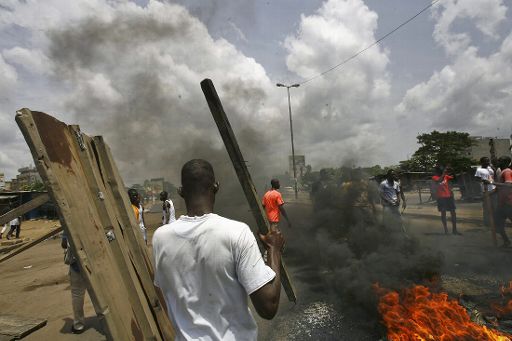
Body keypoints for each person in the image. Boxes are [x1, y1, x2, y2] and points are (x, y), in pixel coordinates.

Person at [152, 159, 284, 340]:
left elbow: (163, 292)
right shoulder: (237, 232)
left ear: (181, 192)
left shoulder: (160, 238)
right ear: (216, 187)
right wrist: (274, 250)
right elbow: (269, 306)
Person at [61, 232, 88, 334]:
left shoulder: (69, 222)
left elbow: (64, 243)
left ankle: (78, 325)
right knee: (103, 292)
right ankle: (109, 320)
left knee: (77, 295)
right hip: (95, 261)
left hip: (77, 265)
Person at [432, 166, 461, 235]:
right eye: (440, 170)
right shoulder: (434, 177)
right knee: (443, 213)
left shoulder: (446, 176)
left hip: (449, 196)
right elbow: (439, 180)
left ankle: (454, 230)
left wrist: (453, 171)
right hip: (441, 197)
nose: (441, 171)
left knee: (453, 213)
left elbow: (455, 179)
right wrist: (444, 174)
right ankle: (446, 230)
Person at [495, 156, 512, 247]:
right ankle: (506, 241)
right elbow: (499, 188)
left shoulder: (507, 172)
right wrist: (488, 194)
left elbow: (508, 185)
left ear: (506, 162)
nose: (498, 161)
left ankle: (506, 242)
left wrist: (491, 183)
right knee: (497, 223)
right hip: (502, 203)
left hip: (509, 203)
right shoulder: (501, 172)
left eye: (500, 160)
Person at [475, 156, 496, 228]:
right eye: (486, 161)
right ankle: (486, 223)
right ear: (482, 162)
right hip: (485, 190)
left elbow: (494, 176)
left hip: (494, 189)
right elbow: (477, 179)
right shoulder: (479, 169)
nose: (488, 162)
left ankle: (494, 222)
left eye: (488, 161)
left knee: (494, 206)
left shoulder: (490, 168)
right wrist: (484, 181)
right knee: (486, 207)